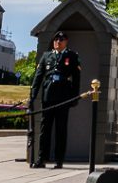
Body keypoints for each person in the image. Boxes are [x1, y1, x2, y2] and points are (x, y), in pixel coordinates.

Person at [30, 30, 82, 168]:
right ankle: (42, 159)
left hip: (63, 98)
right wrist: (33, 95)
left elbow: (76, 79)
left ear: (66, 42)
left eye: (61, 40)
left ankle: (59, 160)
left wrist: (74, 97)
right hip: (48, 97)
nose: (58, 42)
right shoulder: (46, 56)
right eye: (56, 40)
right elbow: (38, 77)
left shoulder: (71, 56)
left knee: (61, 130)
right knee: (44, 130)